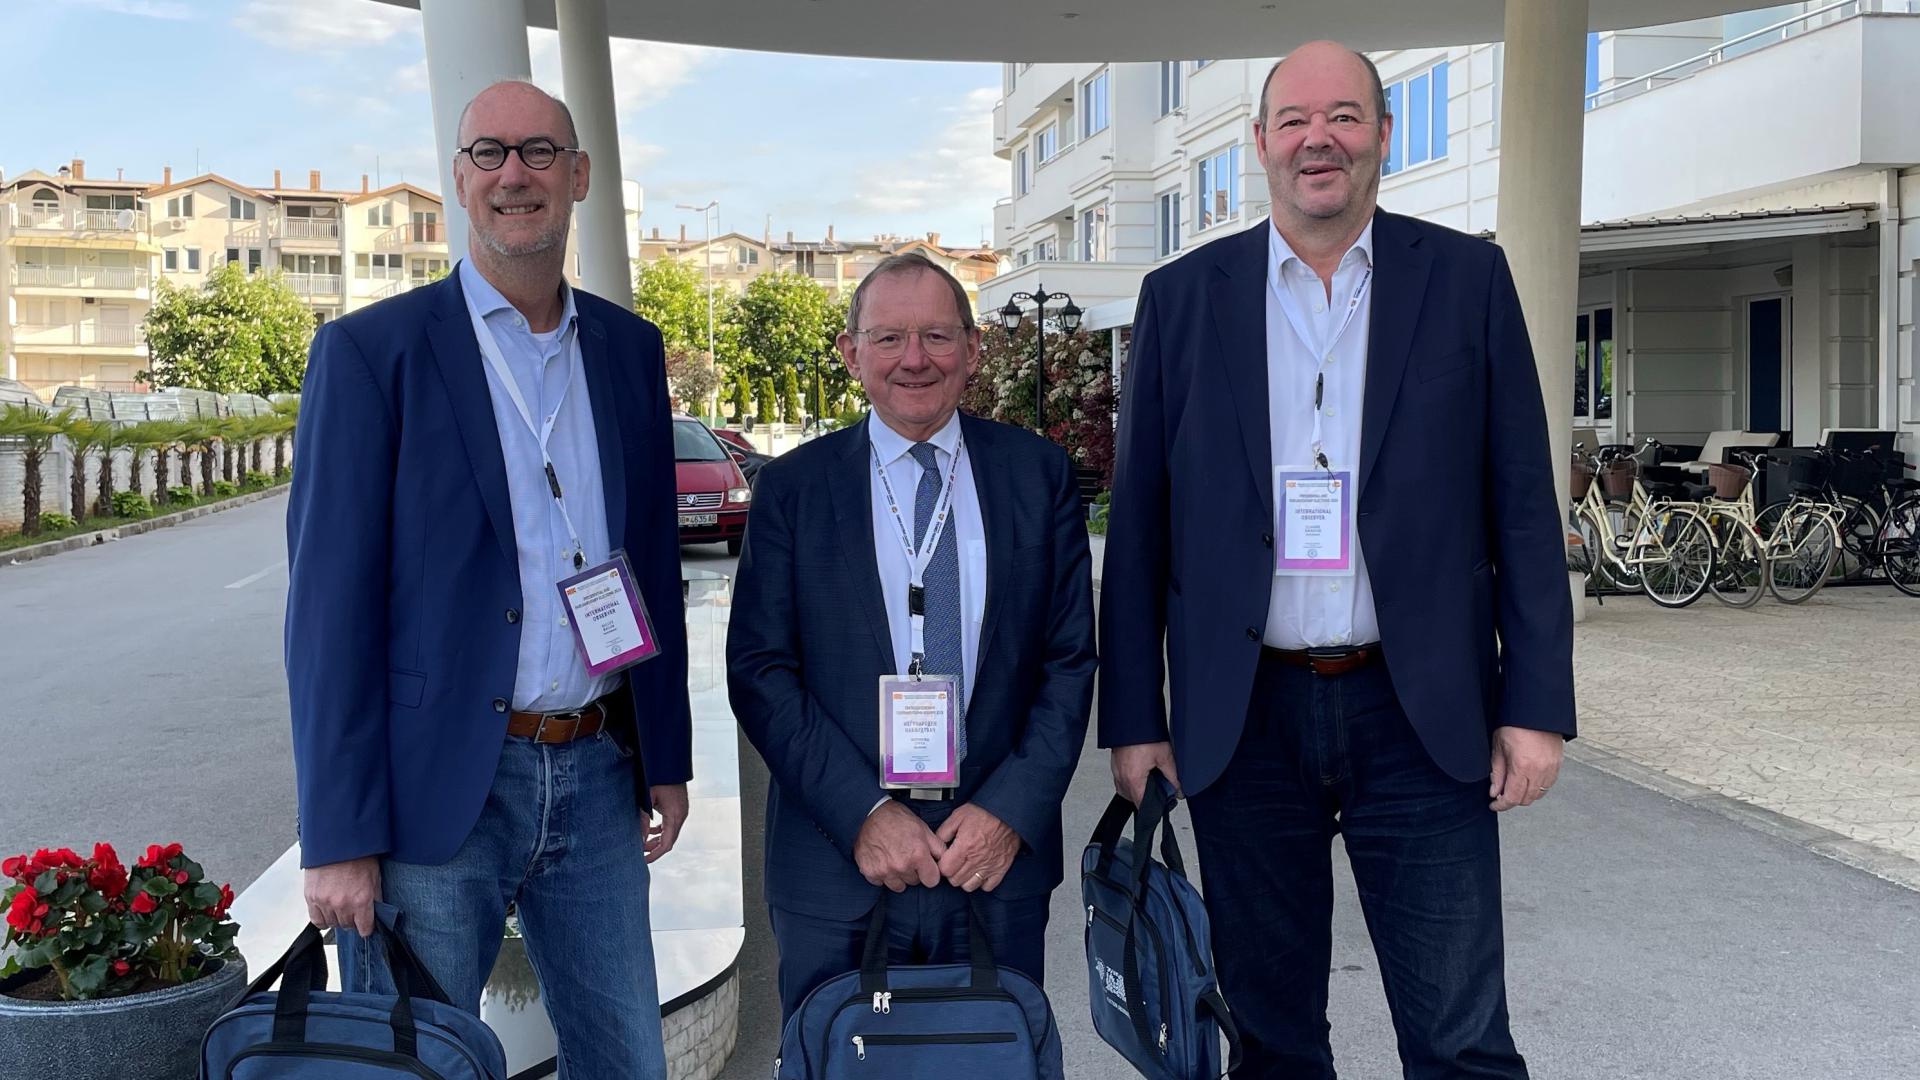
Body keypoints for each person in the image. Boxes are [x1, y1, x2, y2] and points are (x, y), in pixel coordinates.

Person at [1099, 41, 1575, 1080]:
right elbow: (1139, 525)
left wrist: (1535, 704)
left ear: (1383, 137)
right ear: (1259, 143)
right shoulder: (1183, 299)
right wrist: (1134, 723)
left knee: (1459, 1038)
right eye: (1297, 120)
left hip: (1419, 713)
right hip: (1245, 717)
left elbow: (1523, 509)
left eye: (1347, 116)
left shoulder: (1466, 280)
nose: (1321, 139)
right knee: (1269, 1040)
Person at [285, 80, 690, 1078]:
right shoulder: (371, 354)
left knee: (627, 1062)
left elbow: (650, 562)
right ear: (460, 180)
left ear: (579, 174)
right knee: (411, 1067)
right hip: (437, 793)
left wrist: (665, 755)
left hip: (597, 775)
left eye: (541, 152)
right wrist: (337, 836)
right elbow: (328, 611)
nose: (516, 174)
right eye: (490, 153)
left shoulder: (629, 352)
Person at [727, 252, 1096, 1019]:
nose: (915, 359)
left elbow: (1068, 662)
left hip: (993, 865)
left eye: (936, 335)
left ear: (972, 347)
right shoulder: (792, 491)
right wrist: (864, 811)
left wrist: (1009, 811)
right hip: (837, 864)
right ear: (850, 352)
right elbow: (761, 670)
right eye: (889, 338)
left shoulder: (1037, 475)